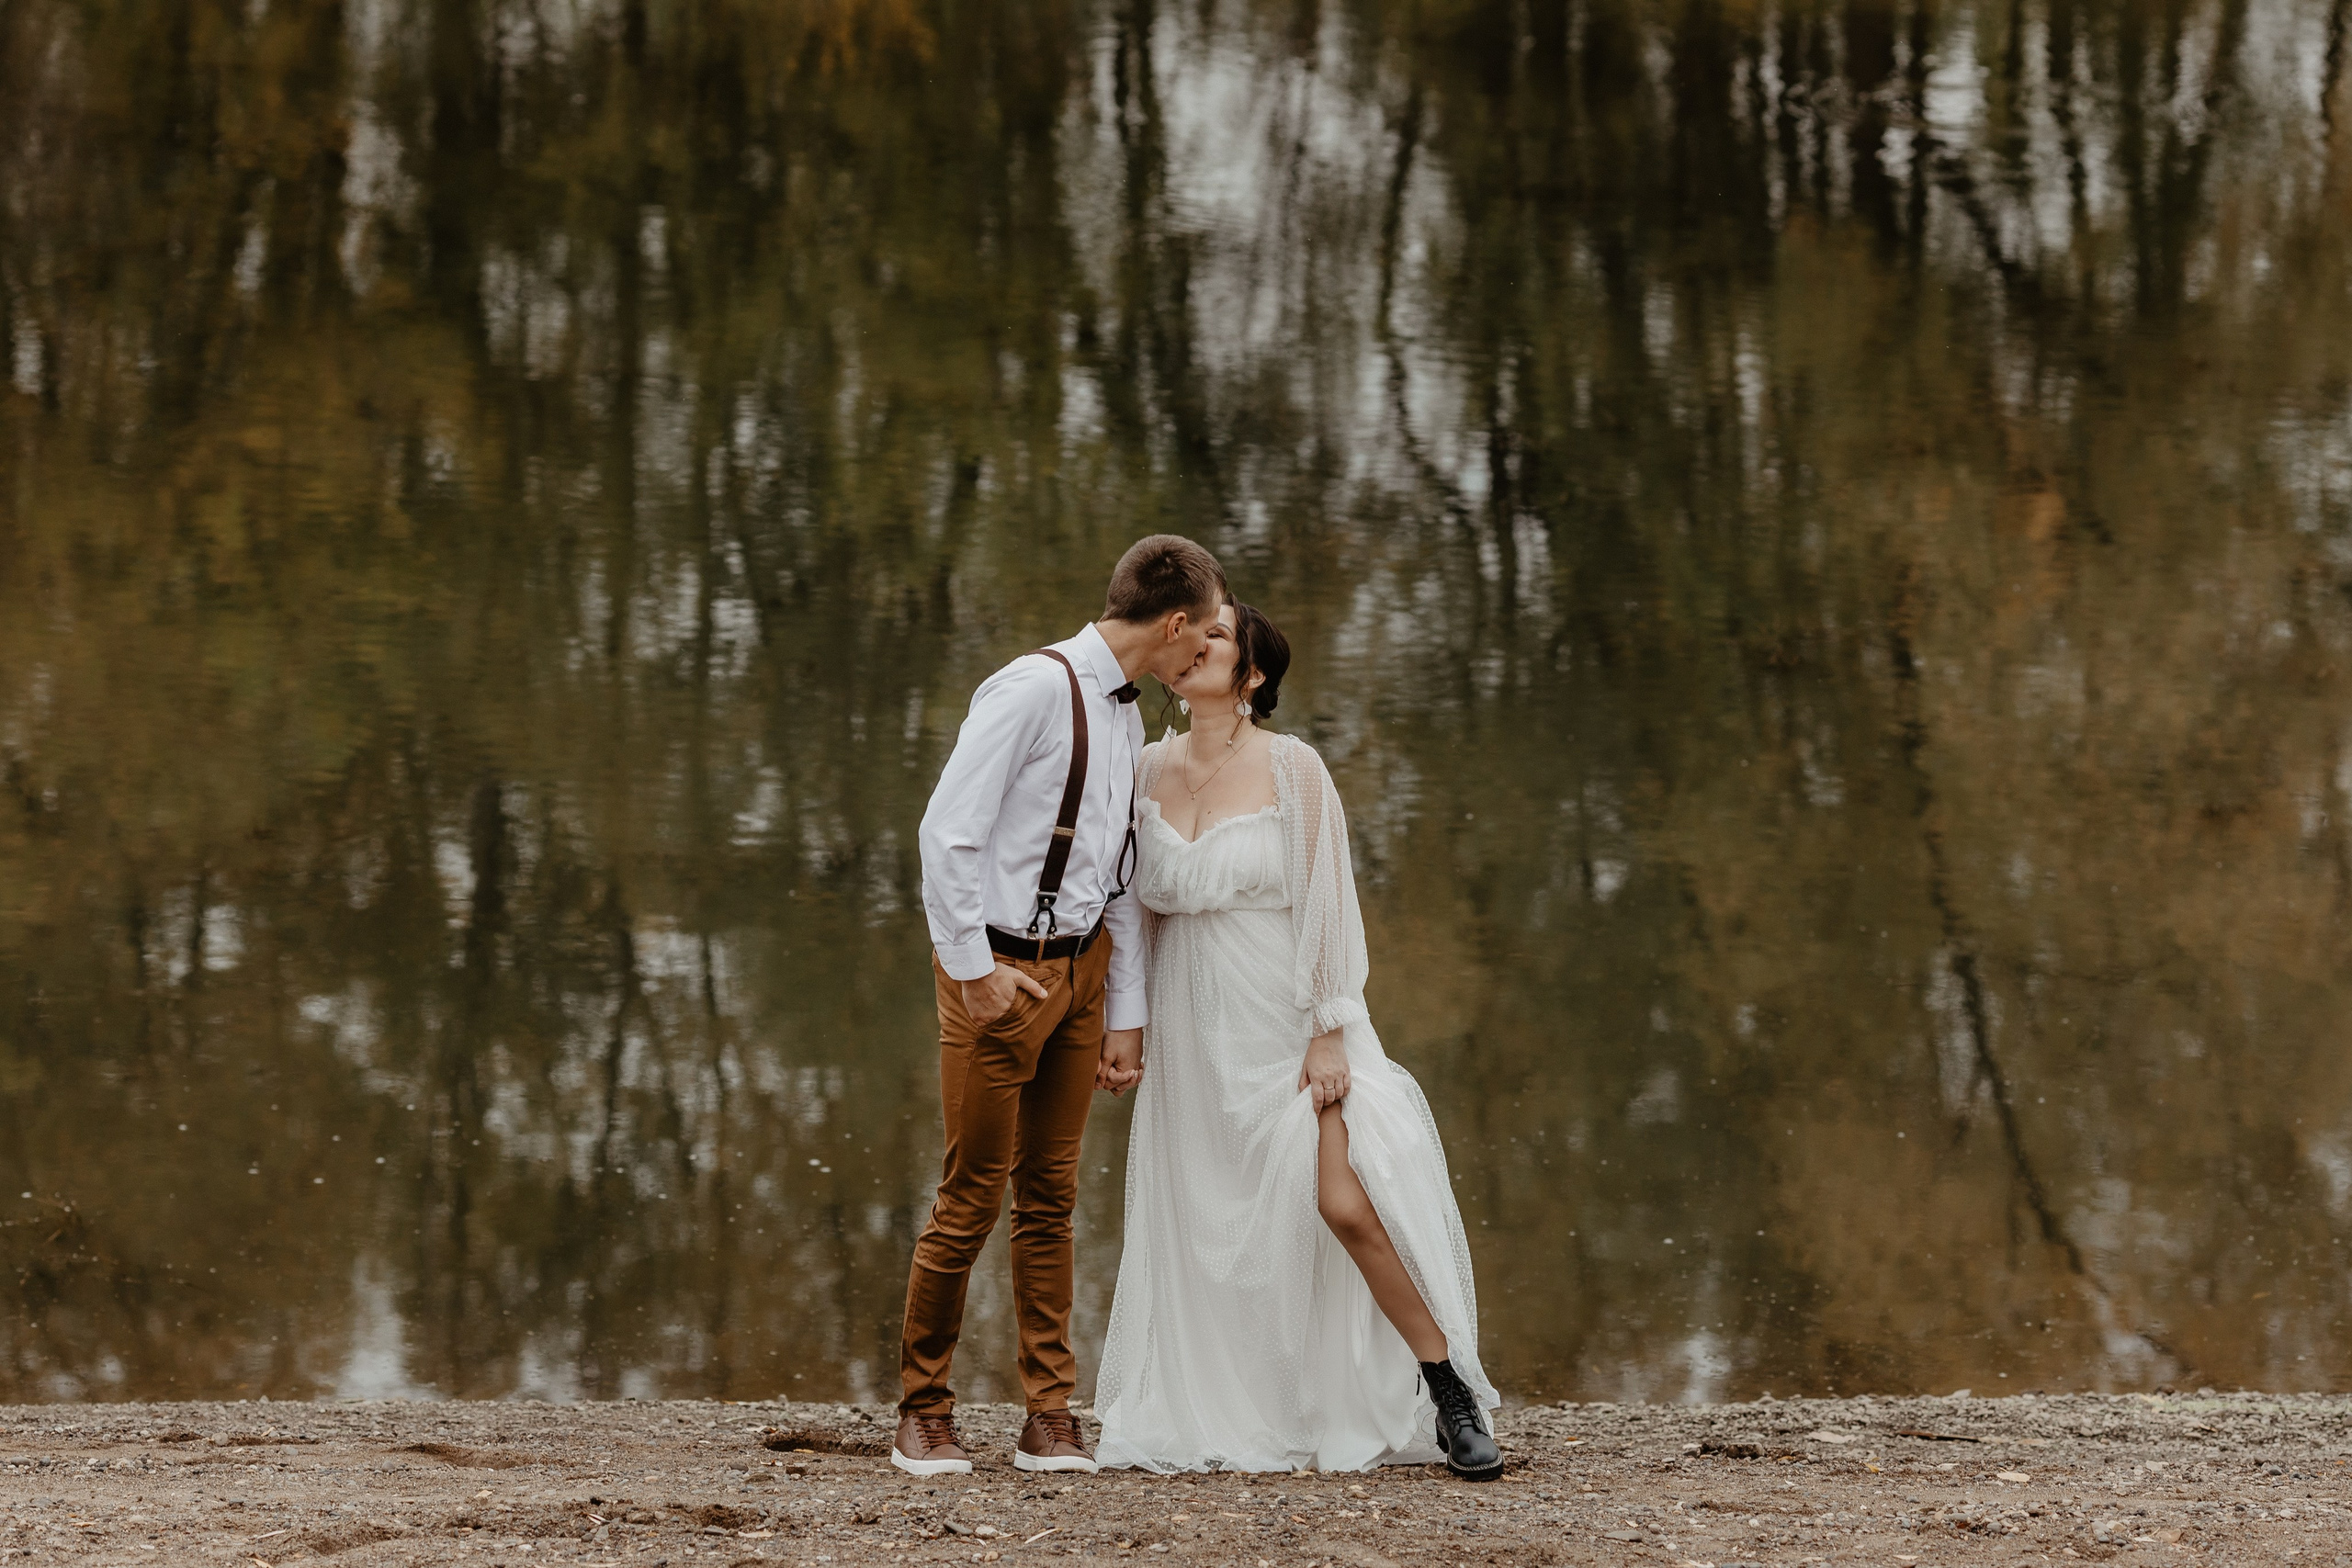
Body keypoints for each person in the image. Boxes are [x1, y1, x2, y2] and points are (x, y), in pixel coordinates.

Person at [1093, 601, 1502, 1479]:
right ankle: (1258, 1402)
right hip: (1195, 1037)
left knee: (1345, 1202)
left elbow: (1328, 902)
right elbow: (1133, 911)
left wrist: (1328, 1028)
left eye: (1217, 640)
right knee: (1216, 1228)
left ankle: (1448, 1386)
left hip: (1292, 1017)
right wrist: (1125, 1026)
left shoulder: (1295, 767)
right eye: (1191, 635)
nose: (1195, 647)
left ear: (1252, 677)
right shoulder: (1144, 766)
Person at [899, 535, 1227, 1478]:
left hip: (1081, 976)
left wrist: (1121, 1012)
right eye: (1201, 634)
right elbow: (946, 834)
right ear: (1171, 624)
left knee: (1051, 1200)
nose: (1203, 652)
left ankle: (1049, 1416)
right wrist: (972, 971)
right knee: (968, 1200)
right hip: (997, 975)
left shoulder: (1125, 714)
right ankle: (922, 1413)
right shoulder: (1033, 689)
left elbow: (1116, 873)